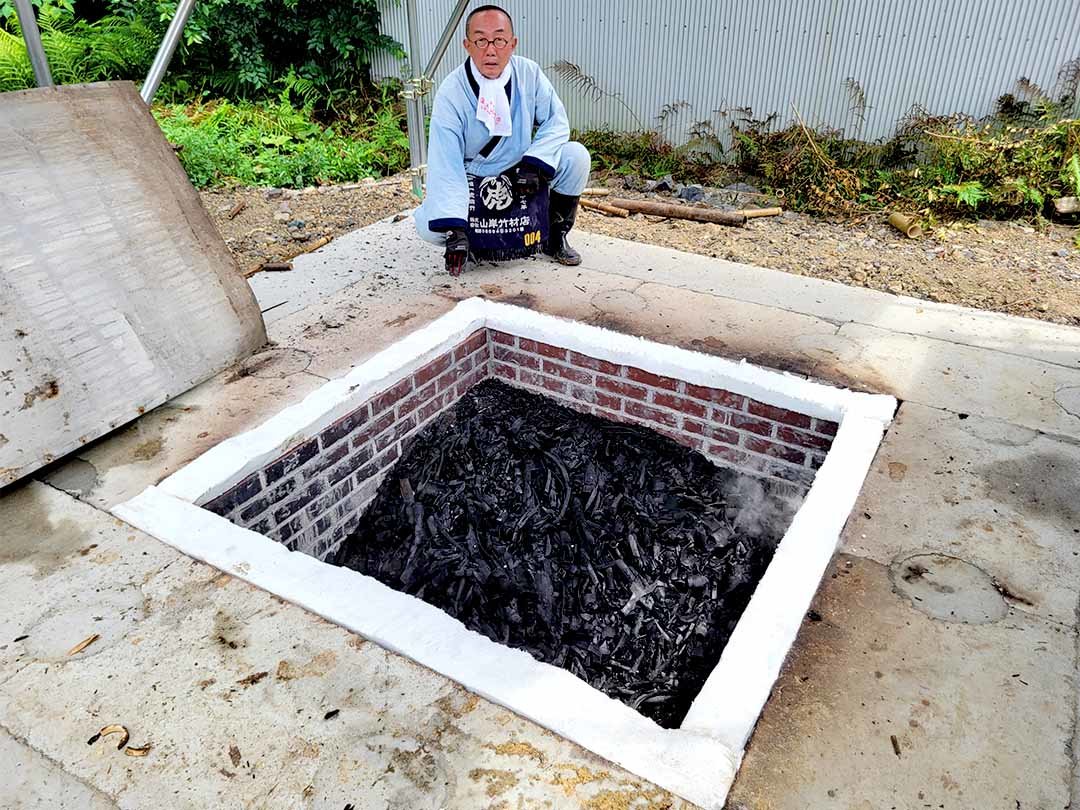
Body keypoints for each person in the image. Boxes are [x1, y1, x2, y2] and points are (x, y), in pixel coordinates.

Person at [414, 4, 591, 276]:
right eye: (481, 40)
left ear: (512, 43)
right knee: (428, 226)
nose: (491, 50)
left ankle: (554, 237)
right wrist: (455, 228)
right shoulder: (451, 92)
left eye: (499, 39)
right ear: (467, 45)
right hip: (474, 179)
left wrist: (536, 163)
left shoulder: (529, 74)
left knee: (576, 156)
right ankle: (471, 241)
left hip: (522, 176)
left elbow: (556, 121)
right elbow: (445, 162)